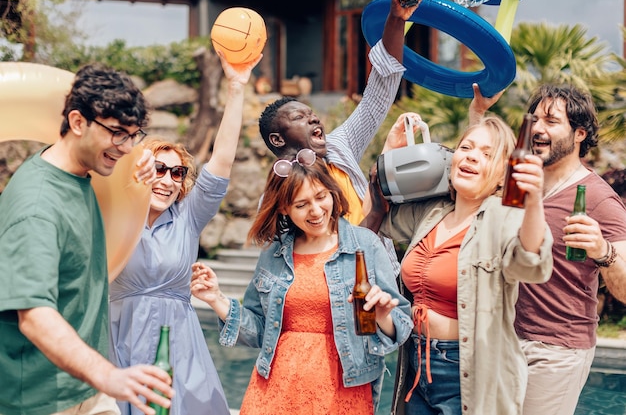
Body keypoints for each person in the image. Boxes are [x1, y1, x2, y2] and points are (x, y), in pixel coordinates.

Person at [0, 64, 173, 415]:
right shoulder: (37, 207)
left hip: (86, 388)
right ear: (78, 123)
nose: (126, 147)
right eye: (117, 133)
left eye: (133, 135)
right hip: (41, 399)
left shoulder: (79, 173)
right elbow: (34, 316)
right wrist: (108, 375)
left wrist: (136, 168)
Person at [190, 156, 413, 414]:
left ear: (332, 192)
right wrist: (217, 299)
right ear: (285, 208)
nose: (316, 211)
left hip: (343, 389)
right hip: (274, 388)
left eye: (321, 197)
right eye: (302, 204)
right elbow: (259, 330)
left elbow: (401, 323)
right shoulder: (274, 253)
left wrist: (382, 317)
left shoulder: (365, 244)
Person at [362, 114, 554, 414]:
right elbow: (371, 224)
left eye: (487, 154)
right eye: (466, 147)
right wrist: (391, 150)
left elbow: (532, 263)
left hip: (468, 370)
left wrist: (533, 203)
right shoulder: (430, 213)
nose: (473, 157)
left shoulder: (504, 216)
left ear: (504, 174)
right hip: (414, 361)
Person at [108, 52, 261, 415]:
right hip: (119, 341)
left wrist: (236, 86)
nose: (167, 181)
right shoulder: (112, 213)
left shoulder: (187, 218)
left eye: (177, 174)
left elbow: (221, 160)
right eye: (159, 169)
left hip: (179, 345)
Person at [470, 83, 626, 415]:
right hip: (504, 337)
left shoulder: (599, 199)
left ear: (580, 133)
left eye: (552, 121)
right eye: (535, 119)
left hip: (554, 349)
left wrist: (603, 250)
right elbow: (475, 166)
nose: (539, 128)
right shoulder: (520, 178)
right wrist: (478, 113)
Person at [257, 0, 421, 273]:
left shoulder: (339, 146)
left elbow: (379, 93)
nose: (313, 118)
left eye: (311, 113)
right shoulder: (277, 197)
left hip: (380, 281)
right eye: (299, 117)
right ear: (278, 140)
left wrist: (397, 18)